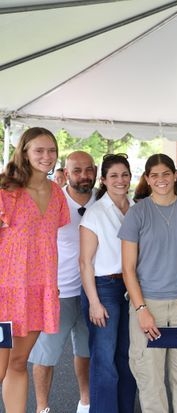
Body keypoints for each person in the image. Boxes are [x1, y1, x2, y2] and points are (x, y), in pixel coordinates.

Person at [118, 153, 177, 412]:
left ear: (175, 176)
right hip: (148, 306)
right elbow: (128, 269)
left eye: (166, 174)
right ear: (147, 179)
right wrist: (141, 311)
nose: (161, 180)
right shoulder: (137, 214)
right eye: (154, 175)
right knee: (150, 380)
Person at [0, 127, 70, 413]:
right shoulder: (6, 191)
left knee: (19, 362)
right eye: (39, 150)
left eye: (51, 150)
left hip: (38, 293)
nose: (46, 156)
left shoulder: (56, 193)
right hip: (4, 293)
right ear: (25, 152)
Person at [28, 151, 97, 413]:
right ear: (66, 173)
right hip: (58, 292)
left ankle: (85, 403)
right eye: (76, 170)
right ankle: (43, 408)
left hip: (93, 293)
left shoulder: (102, 200)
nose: (84, 175)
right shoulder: (52, 200)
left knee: (86, 352)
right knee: (44, 356)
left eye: (88, 169)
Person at [79, 153, 137, 412]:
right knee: (104, 361)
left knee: (127, 358)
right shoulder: (94, 213)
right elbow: (85, 262)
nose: (120, 180)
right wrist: (93, 302)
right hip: (103, 289)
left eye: (124, 174)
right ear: (103, 180)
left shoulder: (137, 208)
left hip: (132, 288)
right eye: (113, 175)